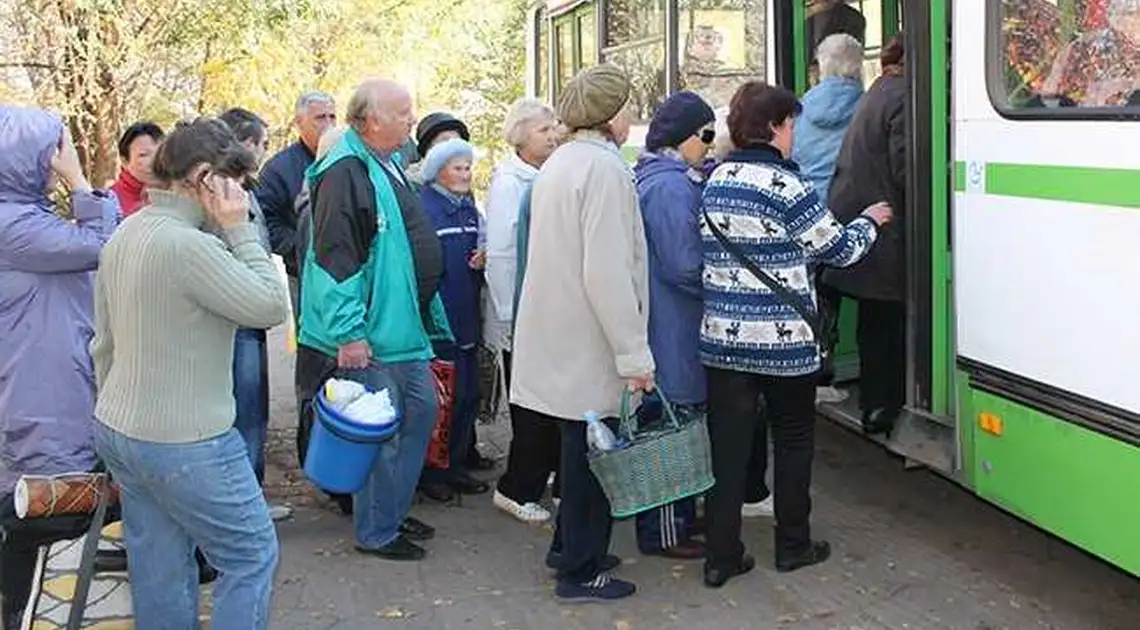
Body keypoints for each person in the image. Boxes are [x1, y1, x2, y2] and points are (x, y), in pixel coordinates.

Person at [91, 118, 290, 629]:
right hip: (186, 439)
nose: (241, 195)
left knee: (159, 564)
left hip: (122, 428)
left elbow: (104, 345)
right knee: (250, 553)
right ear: (205, 178)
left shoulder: (127, 230)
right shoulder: (190, 246)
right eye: (237, 183)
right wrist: (240, 228)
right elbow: (269, 305)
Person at [699, 81, 892, 588]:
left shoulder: (714, 180)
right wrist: (870, 221)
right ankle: (793, 545)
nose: (794, 136)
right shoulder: (790, 188)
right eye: (791, 126)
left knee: (728, 451)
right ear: (775, 127)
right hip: (785, 347)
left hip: (724, 342)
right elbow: (840, 250)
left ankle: (721, 556)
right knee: (792, 441)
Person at [512, 63, 653, 602]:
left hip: (560, 332)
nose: (632, 117)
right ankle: (580, 569)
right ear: (612, 114)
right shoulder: (606, 170)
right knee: (594, 458)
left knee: (576, 447)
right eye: (628, 107)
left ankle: (568, 547)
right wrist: (633, 355)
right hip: (590, 339)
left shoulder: (562, 161)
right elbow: (609, 272)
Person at [295, 78, 451, 562]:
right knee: (387, 431)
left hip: (401, 328)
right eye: (403, 112)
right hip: (372, 334)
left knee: (419, 415)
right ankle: (377, 529)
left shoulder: (386, 163)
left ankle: (389, 511)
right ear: (370, 121)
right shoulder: (345, 170)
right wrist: (350, 333)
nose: (412, 119)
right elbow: (335, 260)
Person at [0, 105, 120, 629]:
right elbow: (107, 246)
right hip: (40, 388)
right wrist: (78, 180)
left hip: (42, 376)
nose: (61, 157)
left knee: (33, 503)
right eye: (55, 147)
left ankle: (25, 608)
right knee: (43, 507)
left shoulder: (23, 217)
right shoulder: (16, 226)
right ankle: (26, 611)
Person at [631, 90, 716, 561]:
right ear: (686, 136)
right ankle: (664, 529)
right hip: (674, 325)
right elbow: (683, 264)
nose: (709, 144)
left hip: (667, 321)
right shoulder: (670, 186)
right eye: (705, 135)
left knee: (677, 423)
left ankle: (678, 517)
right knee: (671, 428)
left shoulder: (663, 178)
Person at [823, 32, 907, 436]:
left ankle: (876, 404)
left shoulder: (878, 91)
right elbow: (908, 171)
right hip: (883, 228)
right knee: (888, 324)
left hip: (860, 222)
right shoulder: (905, 97)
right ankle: (884, 407)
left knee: (875, 323)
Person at [487, 98, 563, 524]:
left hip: (543, 311)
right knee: (533, 410)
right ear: (518, 136)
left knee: (549, 404)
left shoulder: (541, 175)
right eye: (541, 130)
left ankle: (543, 474)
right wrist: (511, 321)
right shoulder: (510, 183)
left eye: (553, 127)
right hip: (521, 315)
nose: (552, 135)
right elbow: (500, 256)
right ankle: (517, 488)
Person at [218, 106, 293, 522]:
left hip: (251, 316)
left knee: (254, 413)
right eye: (262, 144)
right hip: (240, 317)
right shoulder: (227, 197)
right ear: (244, 144)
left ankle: (251, 498)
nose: (265, 152)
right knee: (245, 415)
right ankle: (244, 508)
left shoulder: (246, 189)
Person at [792, 32, 866, 407]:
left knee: (815, 297)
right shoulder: (866, 106)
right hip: (848, 214)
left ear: (822, 67)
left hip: (808, 215)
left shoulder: (802, 109)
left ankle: (815, 375)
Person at [416, 138, 491, 502]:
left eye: (467, 168)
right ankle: (433, 473)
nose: (465, 175)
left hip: (466, 319)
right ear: (438, 172)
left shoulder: (467, 209)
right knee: (442, 402)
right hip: (440, 322)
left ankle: (455, 466)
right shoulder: (427, 209)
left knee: (466, 397)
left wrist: (482, 258)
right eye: (457, 168)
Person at [255, 90, 337, 318]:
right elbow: (265, 221)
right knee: (314, 348)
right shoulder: (278, 169)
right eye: (320, 118)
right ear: (299, 123)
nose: (329, 124)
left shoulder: (348, 160)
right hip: (304, 276)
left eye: (333, 117)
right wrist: (301, 248)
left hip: (348, 273)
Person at [109, 121, 164, 217]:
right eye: (144, 155)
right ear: (125, 161)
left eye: (160, 153)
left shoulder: (177, 192)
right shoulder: (110, 202)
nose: (155, 161)